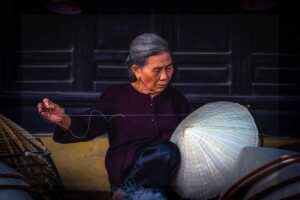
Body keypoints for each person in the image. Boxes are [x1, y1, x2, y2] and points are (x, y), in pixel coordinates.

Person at [37, 33, 191, 199]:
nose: (165, 76)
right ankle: (126, 191)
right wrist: (64, 120)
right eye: (157, 70)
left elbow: (190, 138)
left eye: (168, 67)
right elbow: (91, 124)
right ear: (136, 70)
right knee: (165, 153)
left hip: (167, 179)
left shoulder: (176, 99)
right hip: (128, 173)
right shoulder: (116, 96)